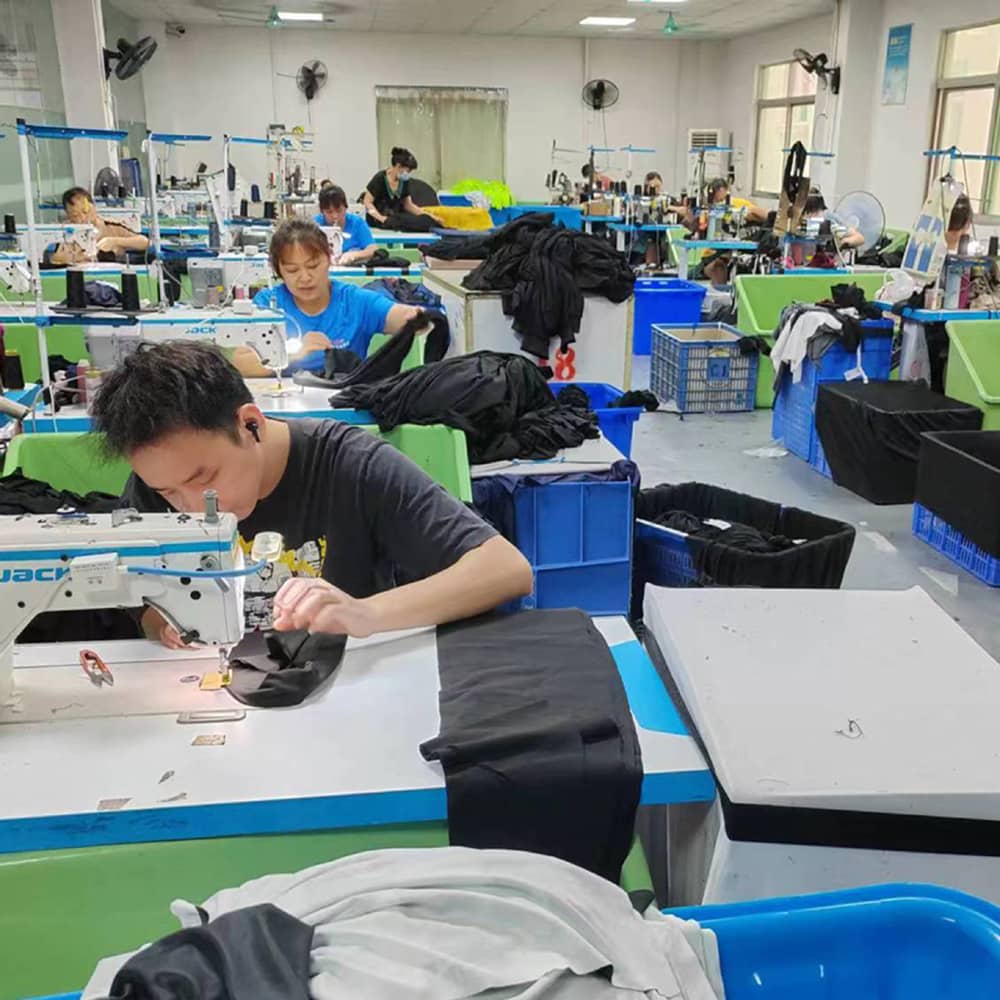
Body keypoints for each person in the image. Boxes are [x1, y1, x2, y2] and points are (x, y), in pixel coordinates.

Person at [91, 342, 532, 645]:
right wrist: (163, 625)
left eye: (204, 478)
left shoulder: (351, 464)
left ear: (251, 424)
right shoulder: (158, 486)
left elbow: (507, 569)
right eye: (168, 491)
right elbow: (142, 602)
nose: (189, 506)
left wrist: (366, 614)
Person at [253, 219, 418, 362]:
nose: (304, 277)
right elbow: (242, 362)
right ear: (279, 271)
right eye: (292, 270)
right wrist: (290, 354)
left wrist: (422, 318)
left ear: (329, 259)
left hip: (346, 395)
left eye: (313, 266)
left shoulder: (354, 301)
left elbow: (402, 317)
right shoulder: (268, 305)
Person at [51, 186, 149, 264]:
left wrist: (115, 241)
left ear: (93, 206)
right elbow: (56, 258)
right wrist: (78, 257)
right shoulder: (67, 231)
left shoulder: (111, 226)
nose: (82, 218)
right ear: (68, 215)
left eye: (85, 211)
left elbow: (144, 242)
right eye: (75, 215)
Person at [363, 147, 436, 229]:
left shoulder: (404, 181)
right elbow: (367, 202)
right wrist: (381, 218)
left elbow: (408, 205)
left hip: (394, 219)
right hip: (377, 220)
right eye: (407, 171)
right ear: (398, 166)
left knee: (426, 221)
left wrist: (430, 216)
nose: (408, 174)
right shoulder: (379, 178)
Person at [313, 184, 378, 265]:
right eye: (329, 212)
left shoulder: (357, 223)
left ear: (346, 206)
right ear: (322, 211)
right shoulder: (314, 225)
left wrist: (355, 255)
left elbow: (373, 249)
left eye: (339, 210)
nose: (335, 216)